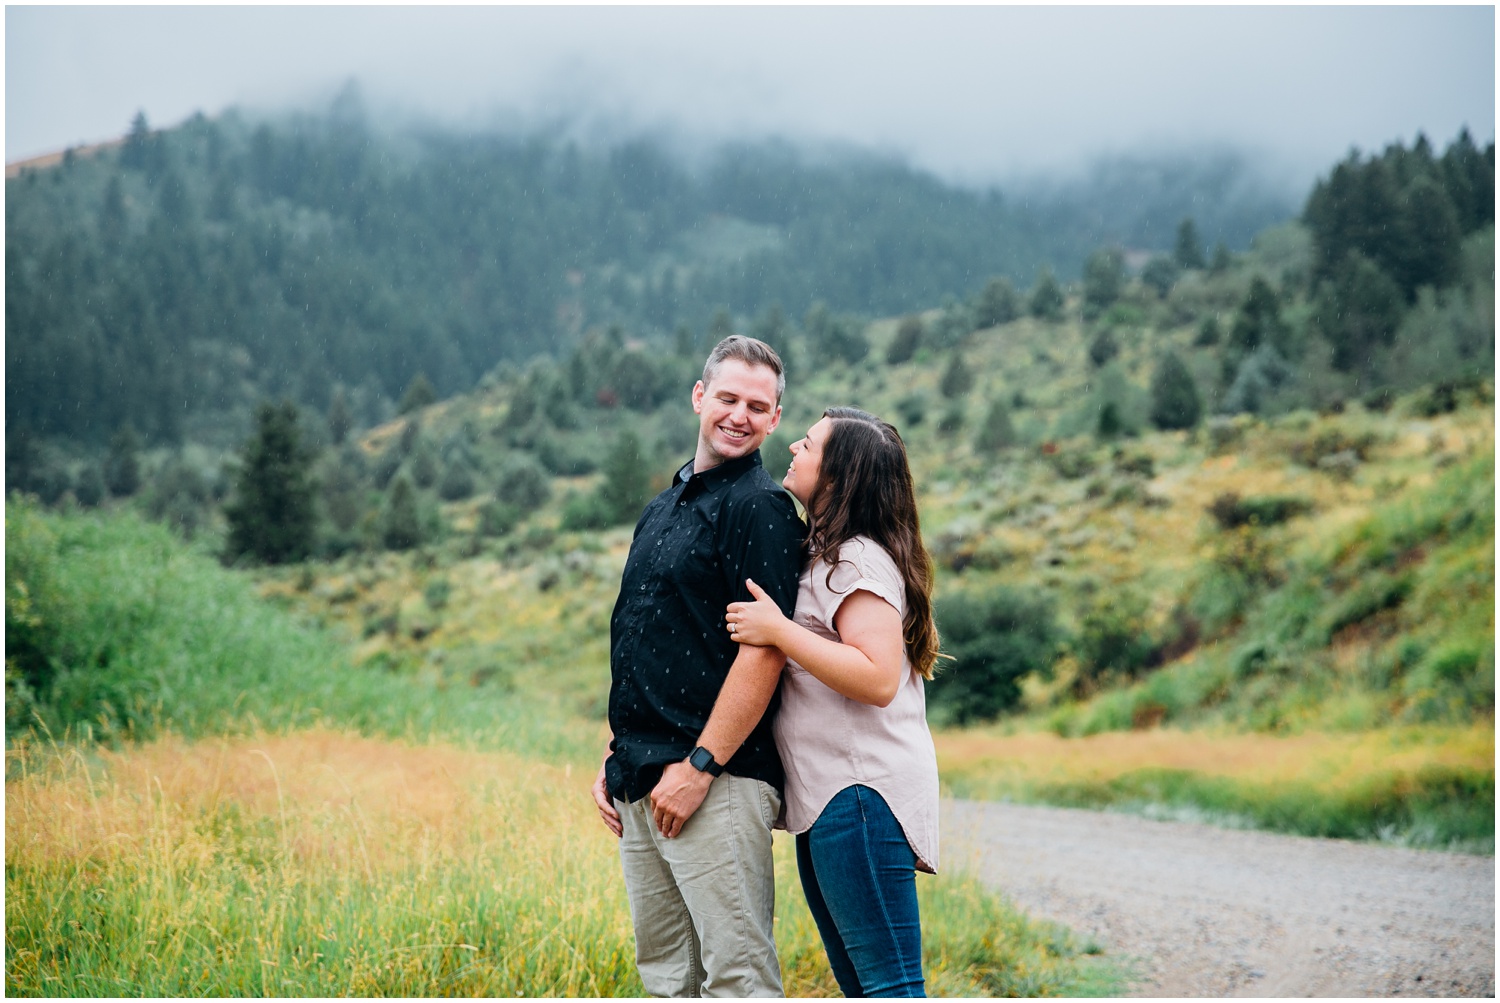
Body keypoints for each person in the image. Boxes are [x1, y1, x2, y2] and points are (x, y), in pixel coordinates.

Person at [591, 335, 805, 998]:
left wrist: (701, 765)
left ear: (775, 419)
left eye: (757, 404)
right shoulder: (660, 509)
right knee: (666, 977)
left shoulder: (761, 509)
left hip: (716, 778)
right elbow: (646, 635)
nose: (739, 414)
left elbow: (765, 649)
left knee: (737, 978)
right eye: (728, 397)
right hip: (643, 774)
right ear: (699, 397)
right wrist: (616, 754)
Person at [725, 406, 943, 998]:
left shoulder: (857, 560)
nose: (793, 445)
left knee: (889, 987)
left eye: (811, 443)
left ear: (839, 478)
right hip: (832, 799)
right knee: (862, 985)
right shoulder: (828, 555)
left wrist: (778, 629)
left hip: (862, 795)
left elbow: (877, 678)